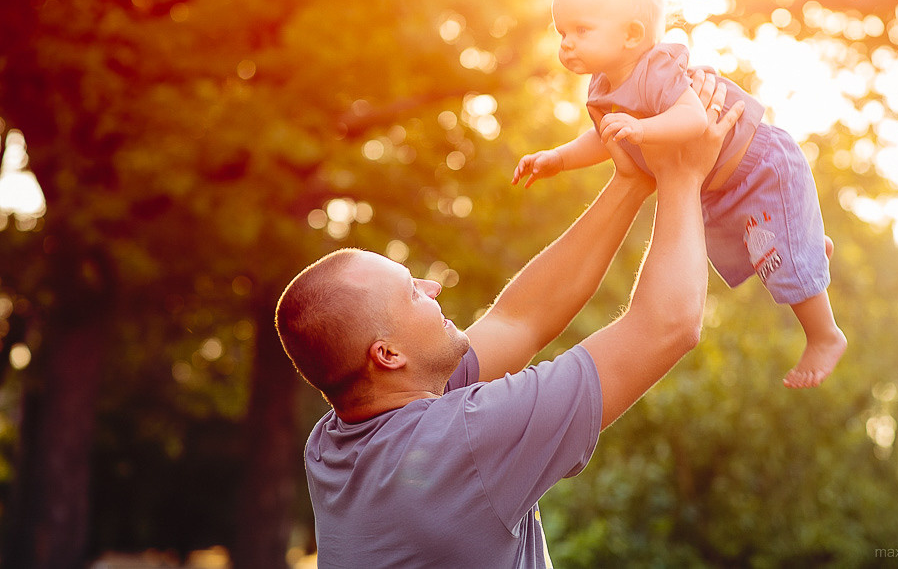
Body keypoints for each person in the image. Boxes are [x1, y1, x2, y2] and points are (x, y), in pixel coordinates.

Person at [274, 75, 743, 568]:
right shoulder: (465, 443)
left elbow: (519, 320)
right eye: (413, 291)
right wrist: (683, 177)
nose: (432, 288)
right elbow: (667, 325)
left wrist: (632, 184)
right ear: (387, 355)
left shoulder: (336, 442)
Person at [513, 0, 847, 388]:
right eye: (562, 33)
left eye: (581, 30)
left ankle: (824, 335)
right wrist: (557, 158)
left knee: (773, 256)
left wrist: (643, 128)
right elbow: (603, 137)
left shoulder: (657, 69)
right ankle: (803, 244)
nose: (567, 44)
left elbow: (692, 119)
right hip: (721, 187)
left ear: (632, 34)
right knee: (759, 254)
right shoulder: (602, 87)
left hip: (759, 167)